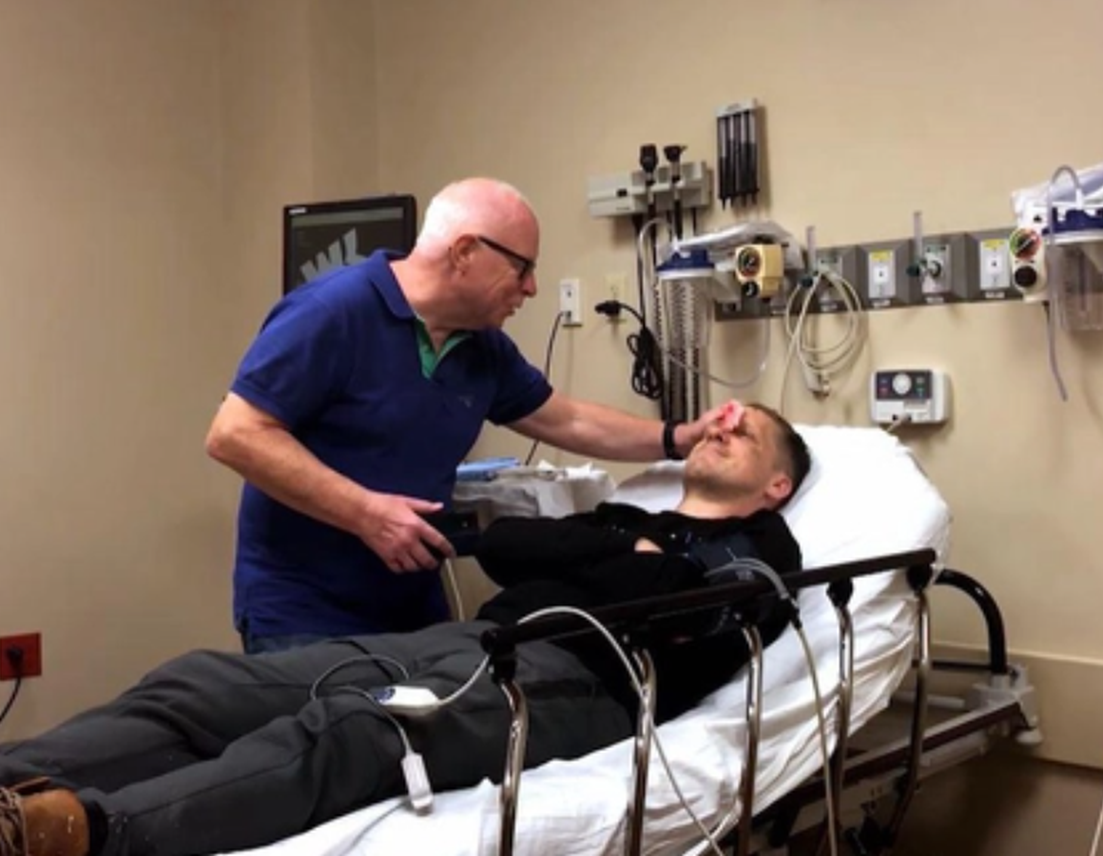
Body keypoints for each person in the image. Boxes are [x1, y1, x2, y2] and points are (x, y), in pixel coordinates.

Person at [0, 403, 812, 856]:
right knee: (203, 685)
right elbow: (509, 547)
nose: (721, 424)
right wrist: (623, 551)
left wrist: (628, 563)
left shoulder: (766, 552)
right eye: (719, 417)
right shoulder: (628, 516)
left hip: (583, 684)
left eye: (746, 430)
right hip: (473, 644)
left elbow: (689, 617)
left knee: (357, 732)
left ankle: (53, 836)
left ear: (776, 482)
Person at [205, 177, 726, 652]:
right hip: (305, 610)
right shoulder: (332, 312)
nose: (531, 288)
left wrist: (681, 437)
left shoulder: (482, 347)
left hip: (410, 605)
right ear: (464, 252)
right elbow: (236, 434)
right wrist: (365, 513)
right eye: (522, 268)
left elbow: (566, 420)